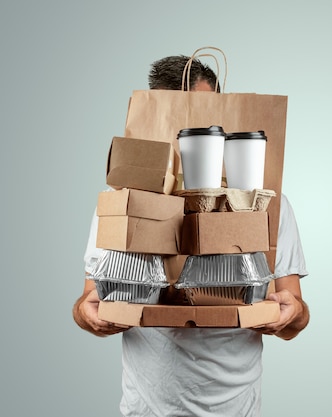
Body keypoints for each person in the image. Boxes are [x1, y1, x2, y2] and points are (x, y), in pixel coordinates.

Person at [72, 55, 310, 416]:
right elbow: (89, 301)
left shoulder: (266, 202)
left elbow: (295, 315)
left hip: (235, 408)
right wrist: (89, 316)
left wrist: (290, 315)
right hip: (147, 408)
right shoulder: (123, 202)